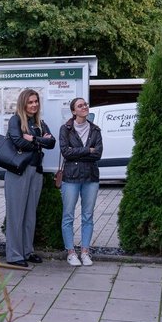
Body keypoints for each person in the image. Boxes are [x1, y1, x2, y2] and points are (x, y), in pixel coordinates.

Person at [4, 89, 56, 268]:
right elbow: (18, 141)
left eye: (36, 101)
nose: (34, 105)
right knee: (16, 214)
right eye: (30, 102)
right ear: (23, 103)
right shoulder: (16, 120)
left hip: (36, 170)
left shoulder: (39, 122)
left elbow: (52, 143)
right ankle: (14, 255)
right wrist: (40, 141)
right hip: (19, 172)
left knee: (30, 215)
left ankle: (27, 251)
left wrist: (33, 139)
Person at [59, 98, 103, 266]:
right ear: (73, 111)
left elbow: (98, 154)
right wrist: (87, 150)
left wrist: (78, 152)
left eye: (85, 104)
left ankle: (85, 251)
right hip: (71, 177)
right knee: (68, 215)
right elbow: (66, 152)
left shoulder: (95, 129)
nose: (84, 107)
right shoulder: (65, 129)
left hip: (91, 177)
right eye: (80, 105)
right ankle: (71, 252)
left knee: (88, 216)